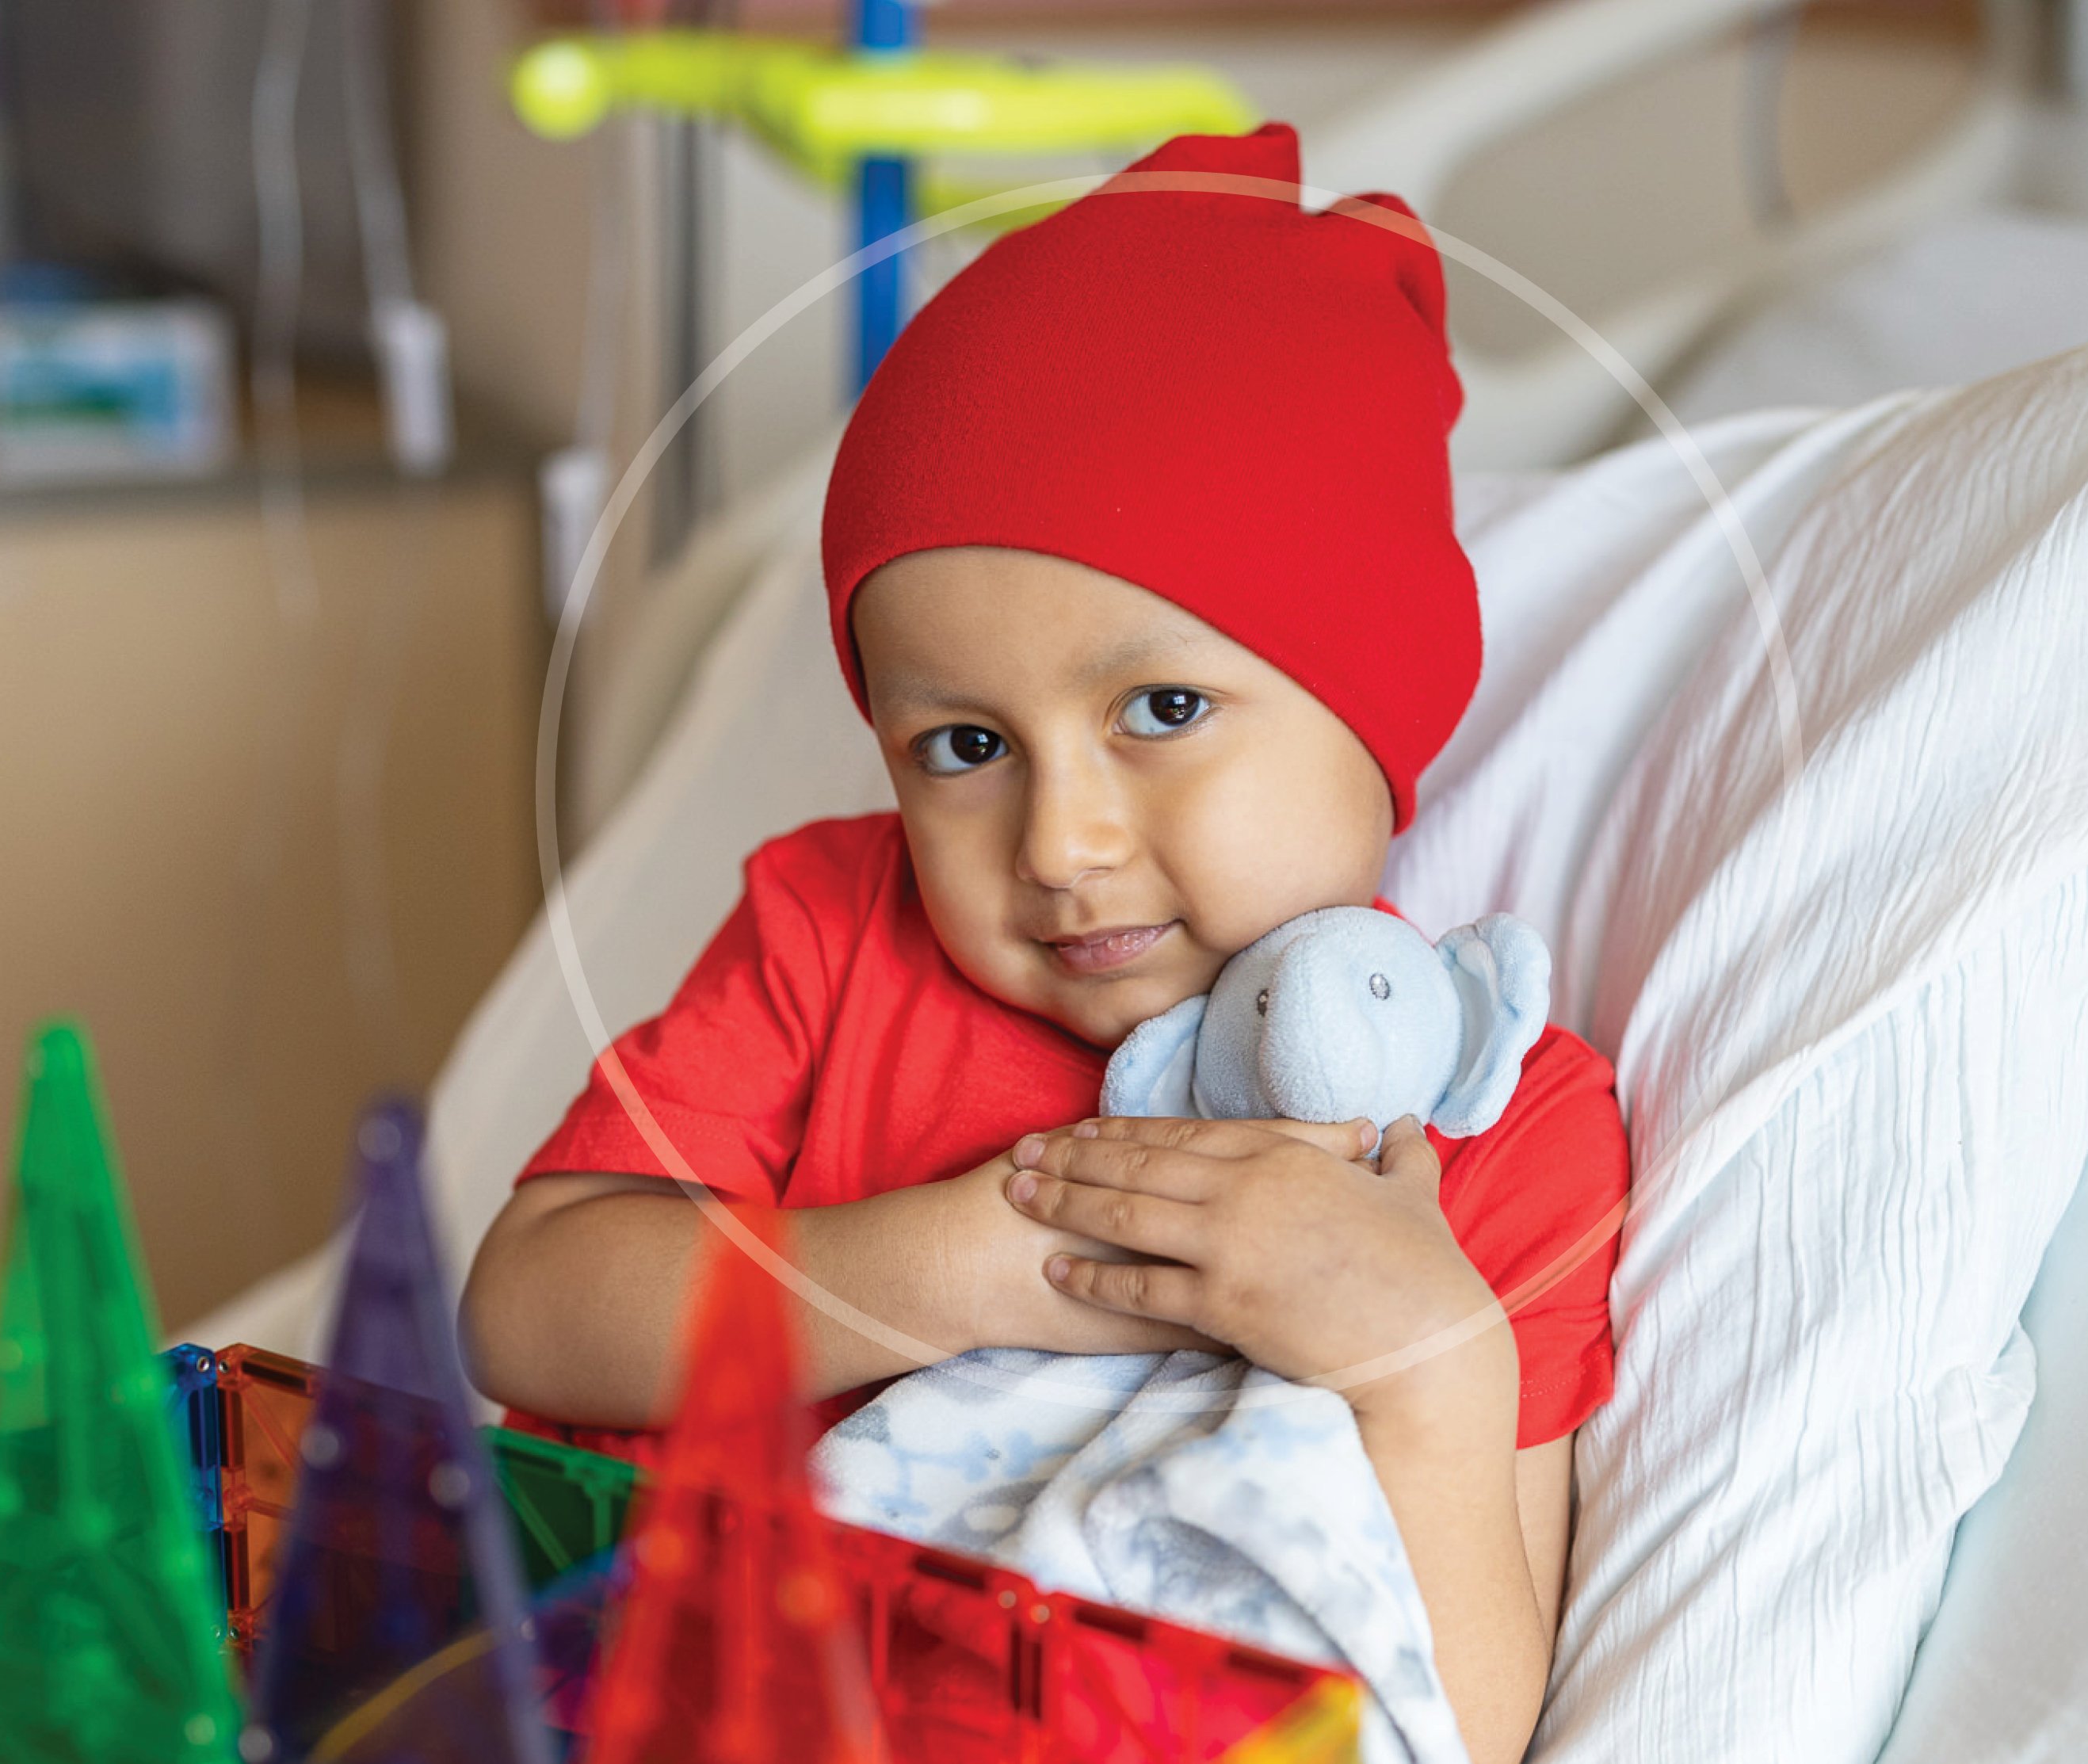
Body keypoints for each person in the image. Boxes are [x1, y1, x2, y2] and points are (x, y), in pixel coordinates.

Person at [462, 123, 1629, 1761]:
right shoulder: (831, 931)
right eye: (961, 747)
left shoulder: (1496, 1125)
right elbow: (525, 1307)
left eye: (1161, 710)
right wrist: (947, 1271)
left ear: (1375, 717)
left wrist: (1421, 1370)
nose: (1060, 843)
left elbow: (1473, 1723)